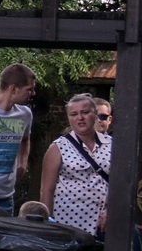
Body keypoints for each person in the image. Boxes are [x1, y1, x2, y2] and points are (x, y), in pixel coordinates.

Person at [40, 93, 112, 239]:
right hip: (69, 222)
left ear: (95, 114)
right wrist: (48, 224)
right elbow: (47, 190)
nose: (80, 118)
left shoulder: (112, 144)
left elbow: (122, 182)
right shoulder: (58, 147)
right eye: (74, 114)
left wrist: (112, 209)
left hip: (105, 221)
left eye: (85, 112)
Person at [0, 64, 36, 222]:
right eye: (29, 89)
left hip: (6, 194)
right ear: (13, 89)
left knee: (3, 236)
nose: (33, 93)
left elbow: (25, 139)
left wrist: (23, 164)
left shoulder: (24, 114)